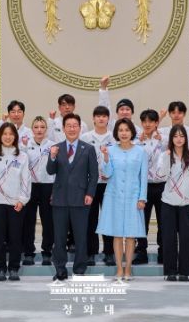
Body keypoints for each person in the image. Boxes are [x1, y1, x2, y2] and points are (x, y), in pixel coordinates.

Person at [46, 113, 99, 280]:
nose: (71, 129)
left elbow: (94, 175)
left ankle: (80, 269)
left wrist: (90, 193)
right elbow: (50, 171)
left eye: (75, 125)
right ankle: (60, 270)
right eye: (68, 126)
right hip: (60, 200)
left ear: (80, 128)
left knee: (81, 237)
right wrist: (52, 156)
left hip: (81, 199)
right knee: (59, 238)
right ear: (63, 128)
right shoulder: (56, 148)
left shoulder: (88, 149)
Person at [97, 119, 148, 280]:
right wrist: (106, 157)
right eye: (120, 130)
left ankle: (128, 269)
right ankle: (119, 269)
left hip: (133, 197)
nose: (124, 133)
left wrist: (142, 197)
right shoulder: (111, 150)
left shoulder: (140, 151)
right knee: (117, 234)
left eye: (127, 130)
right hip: (114, 197)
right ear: (116, 133)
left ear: (132, 132)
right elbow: (107, 174)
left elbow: (143, 177)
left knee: (131, 235)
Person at [0, 123, 31, 281]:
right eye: (4, 134)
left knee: (15, 237)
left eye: (11, 134)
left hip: (16, 203)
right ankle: (0, 268)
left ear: (15, 137)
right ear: (0, 136)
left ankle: (14, 268)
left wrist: (22, 200)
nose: (8, 137)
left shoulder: (22, 156)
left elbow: (26, 180)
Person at [155, 125, 189, 282]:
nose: (179, 139)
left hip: (188, 202)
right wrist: (166, 158)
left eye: (182, 136)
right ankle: (170, 271)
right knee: (169, 238)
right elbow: (160, 175)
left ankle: (185, 271)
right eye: (175, 136)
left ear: (186, 138)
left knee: (187, 238)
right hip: (168, 202)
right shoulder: (165, 155)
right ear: (171, 139)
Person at [79, 106, 115, 266]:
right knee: (90, 219)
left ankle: (109, 252)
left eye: (104, 116)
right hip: (90, 184)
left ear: (108, 119)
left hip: (109, 184)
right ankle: (91, 252)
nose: (101, 119)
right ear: (93, 118)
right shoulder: (85, 137)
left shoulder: (114, 137)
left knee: (108, 218)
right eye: (98, 116)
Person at [20, 116, 56, 267]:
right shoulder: (25, 145)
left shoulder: (53, 145)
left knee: (48, 221)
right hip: (31, 187)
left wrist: (55, 190)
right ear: (32, 129)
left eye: (42, 127)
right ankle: (28, 252)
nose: (39, 130)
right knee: (28, 221)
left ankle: (47, 252)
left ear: (46, 129)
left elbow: (57, 169)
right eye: (36, 127)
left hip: (48, 186)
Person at [134, 109, 165, 265]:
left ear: (156, 123)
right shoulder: (136, 142)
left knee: (163, 221)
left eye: (150, 121)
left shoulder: (164, 140)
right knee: (142, 221)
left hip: (162, 186)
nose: (147, 124)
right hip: (143, 186)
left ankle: (163, 252)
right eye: (144, 121)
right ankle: (141, 252)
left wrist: (163, 141)